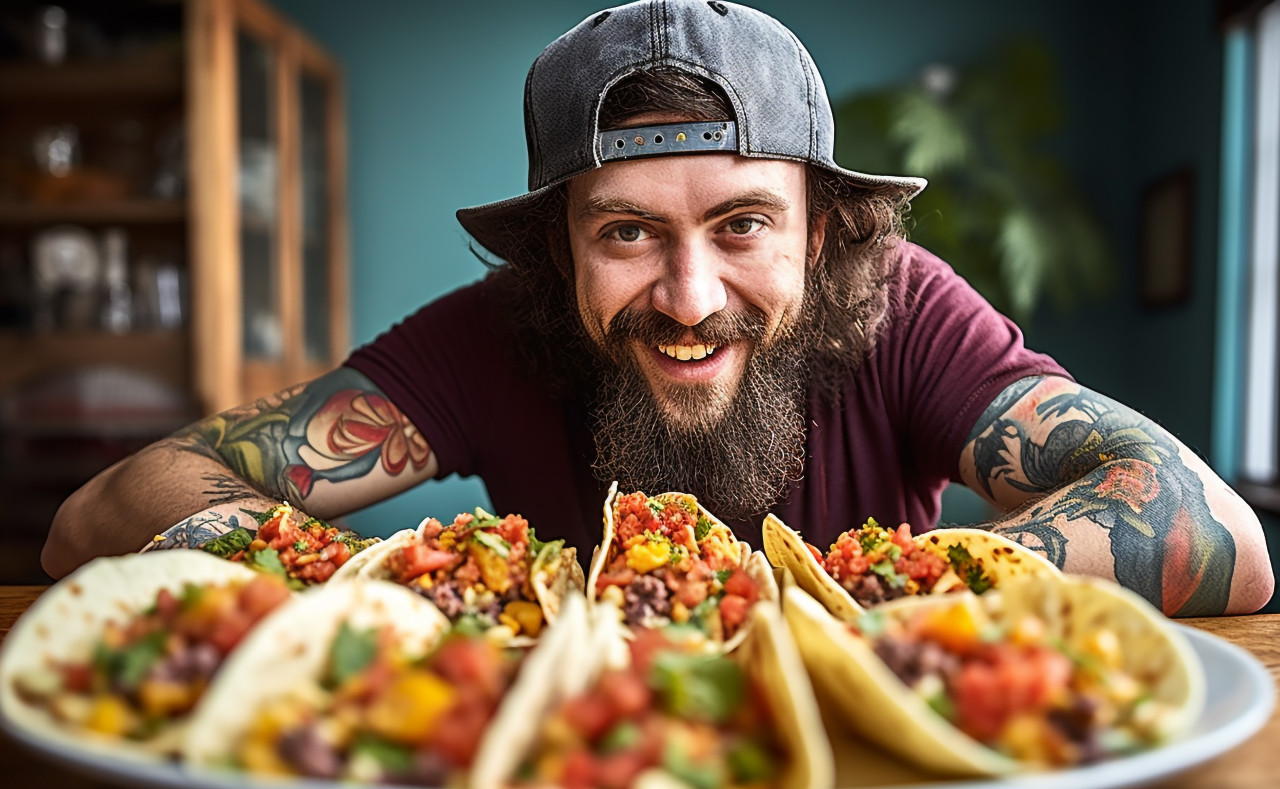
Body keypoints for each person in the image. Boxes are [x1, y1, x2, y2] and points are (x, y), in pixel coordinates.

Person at [41, 0, 1273, 616]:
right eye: (625, 231)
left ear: (827, 231)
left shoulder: (903, 309)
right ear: (558, 249)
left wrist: (866, 595)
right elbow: (102, 514)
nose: (687, 300)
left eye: (741, 223)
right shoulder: (493, 332)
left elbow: (1219, 530)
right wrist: (406, 587)